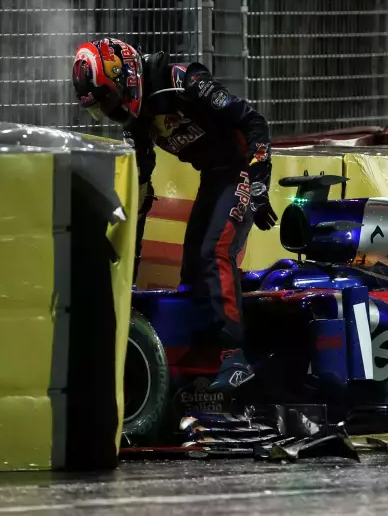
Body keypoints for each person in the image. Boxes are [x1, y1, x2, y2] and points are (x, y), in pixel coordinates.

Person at [71, 37, 275, 391]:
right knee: (192, 266)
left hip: (240, 169)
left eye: (109, 97)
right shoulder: (138, 121)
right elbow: (141, 185)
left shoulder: (184, 81)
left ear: (127, 76)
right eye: (101, 106)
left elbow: (253, 121)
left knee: (214, 251)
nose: (112, 109)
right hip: (213, 177)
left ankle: (236, 357)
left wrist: (259, 182)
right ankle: (204, 353)